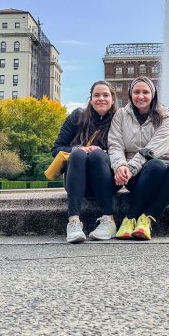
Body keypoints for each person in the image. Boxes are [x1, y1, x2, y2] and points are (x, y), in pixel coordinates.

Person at [108, 76, 169, 241]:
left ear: (153, 94)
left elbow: (153, 149)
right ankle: (130, 219)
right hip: (139, 176)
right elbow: (115, 144)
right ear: (130, 94)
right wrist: (120, 166)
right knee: (155, 166)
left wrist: (131, 168)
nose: (141, 96)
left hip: (159, 168)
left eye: (145, 92)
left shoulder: (165, 116)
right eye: (137, 92)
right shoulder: (121, 115)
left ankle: (146, 218)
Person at [52, 80, 118, 243]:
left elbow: (126, 150)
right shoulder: (77, 117)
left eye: (105, 95)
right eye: (96, 95)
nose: (101, 99)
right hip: (77, 180)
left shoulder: (119, 120)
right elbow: (56, 149)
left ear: (113, 99)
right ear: (90, 99)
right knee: (78, 154)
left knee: (97, 155)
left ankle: (108, 220)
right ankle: (73, 221)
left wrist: (103, 153)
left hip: (106, 181)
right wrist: (78, 149)